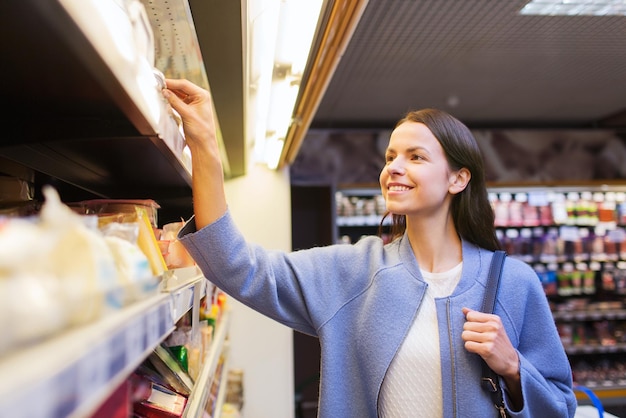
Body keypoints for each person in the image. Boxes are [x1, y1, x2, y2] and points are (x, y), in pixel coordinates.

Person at [162, 78, 577, 418]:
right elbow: (238, 267)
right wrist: (205, 146)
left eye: (416, 157)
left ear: (458, 179)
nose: (393, 167)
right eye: (390, 156)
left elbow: (561, 406)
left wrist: (514, 368)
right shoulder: (352, 273)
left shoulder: (514, 284)